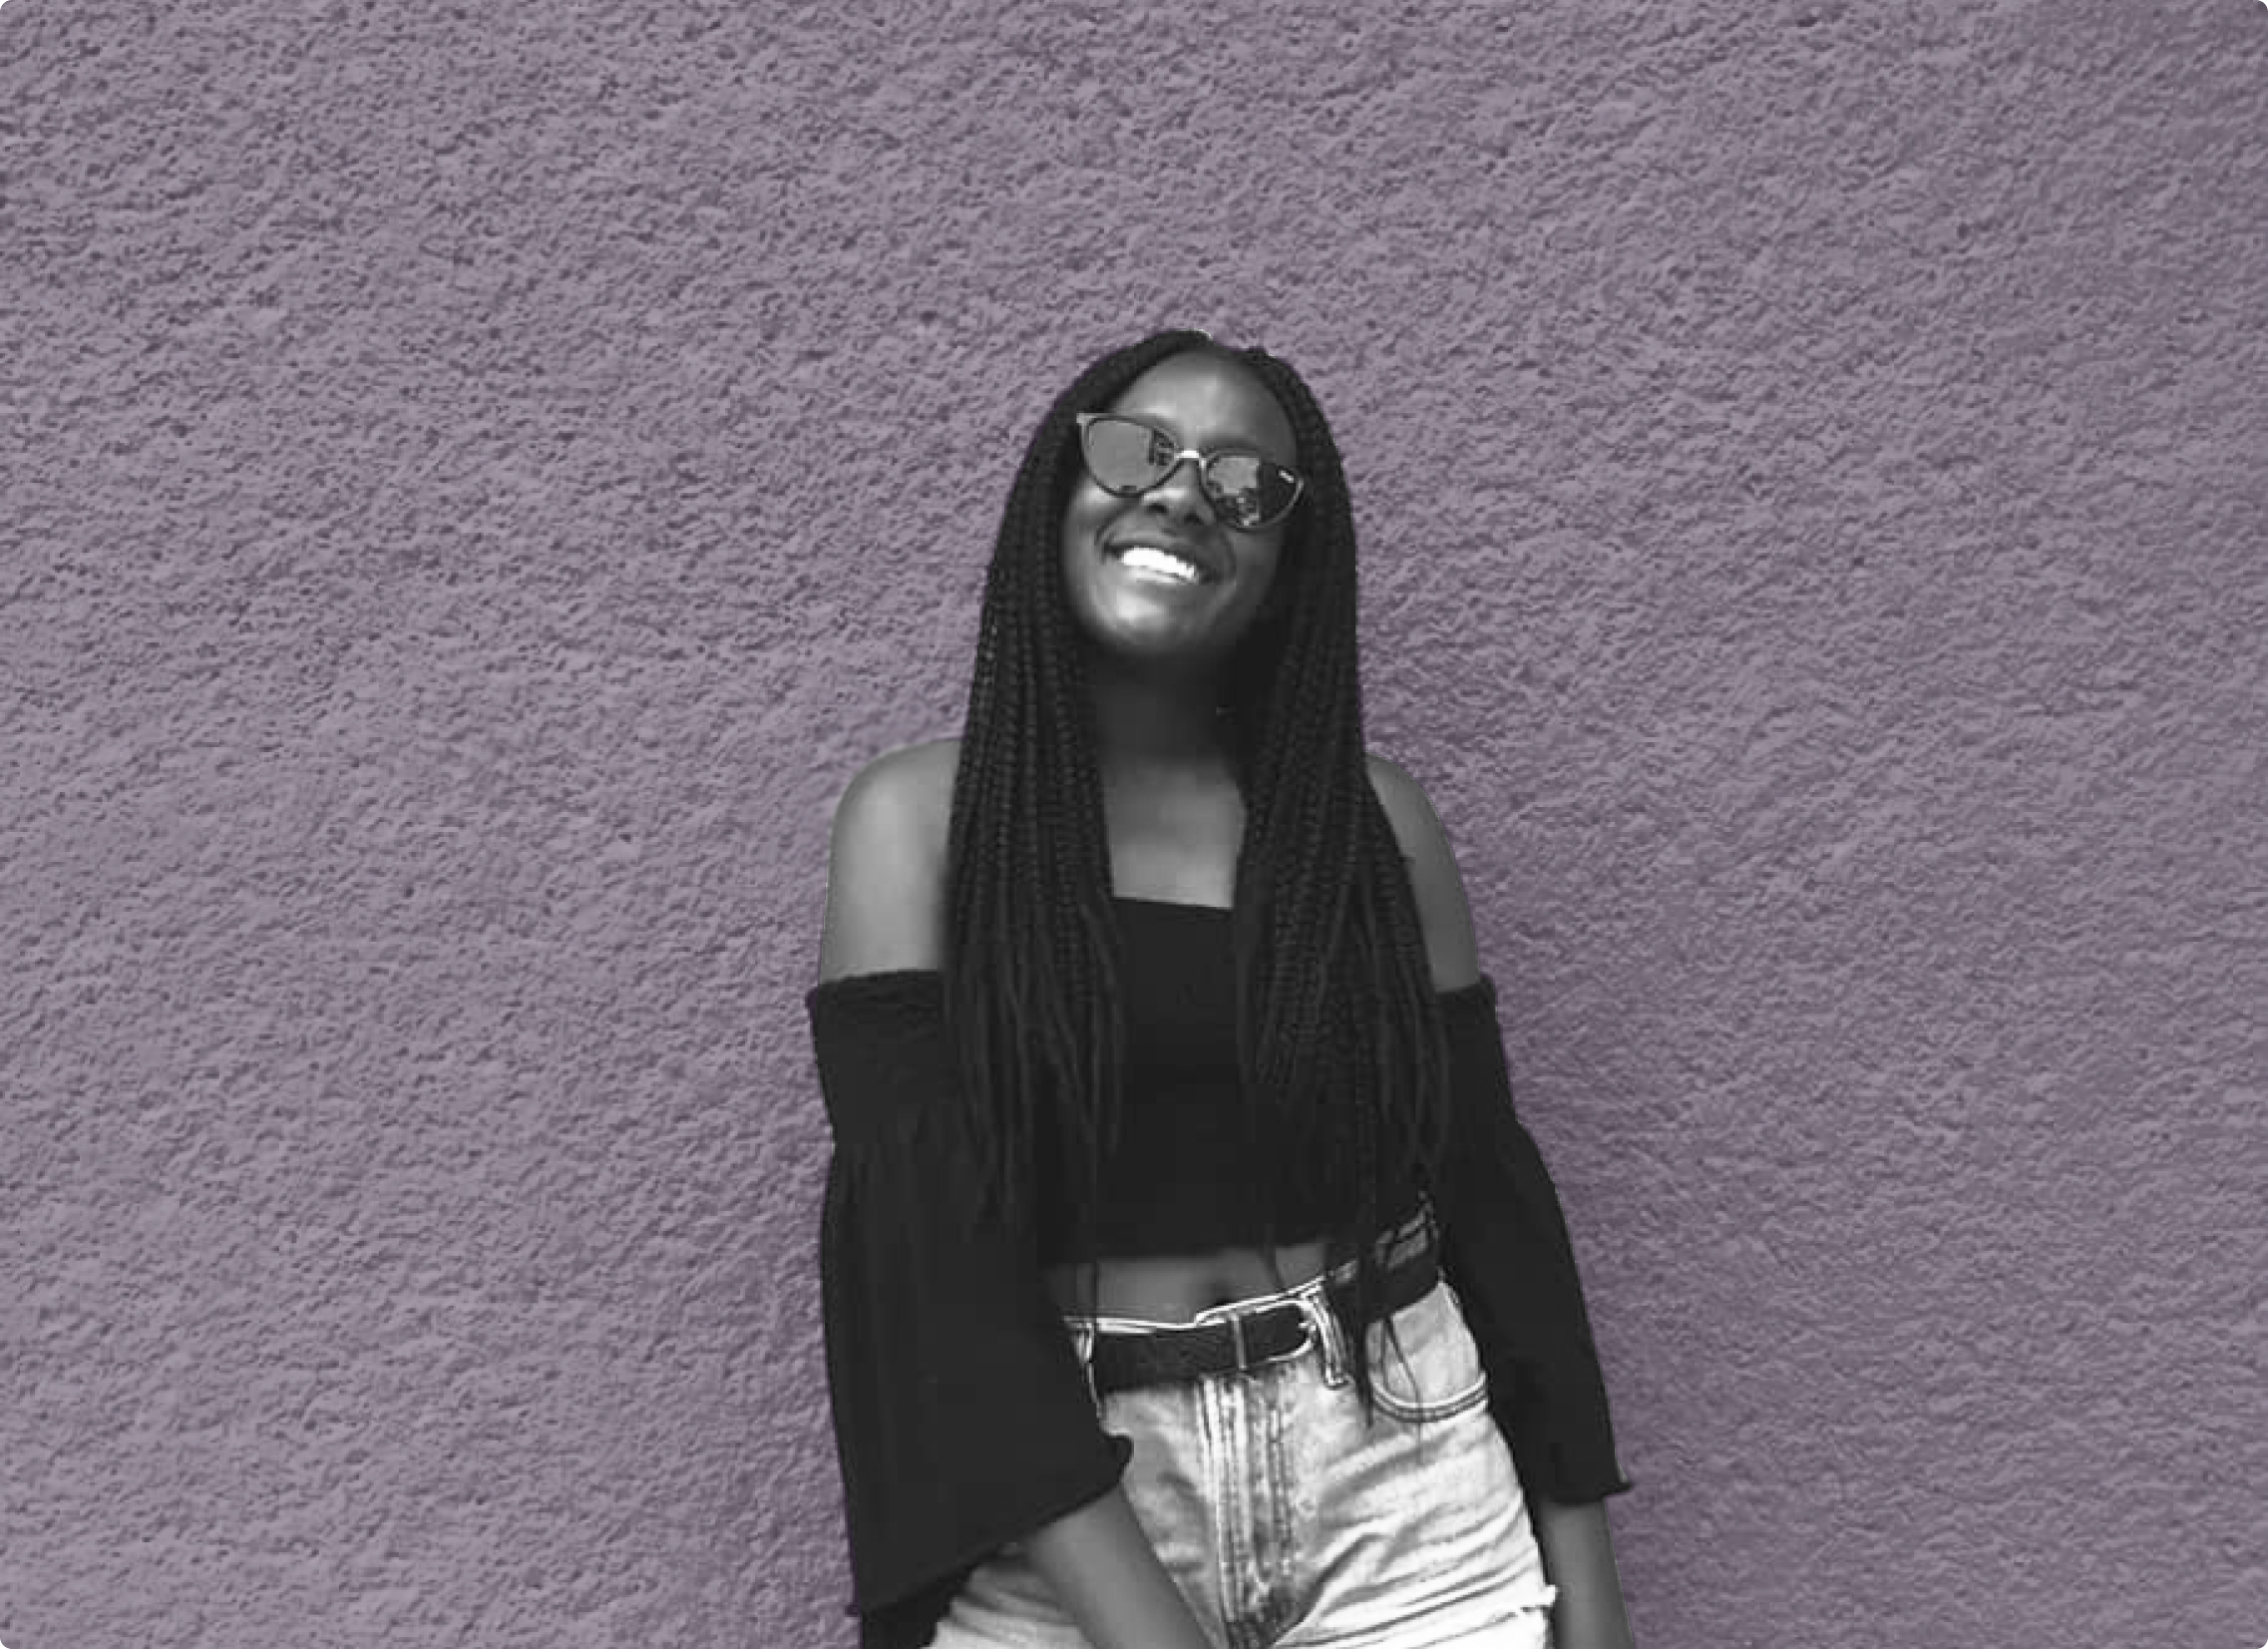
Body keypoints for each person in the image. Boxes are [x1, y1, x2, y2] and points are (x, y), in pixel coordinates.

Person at [806, 329, 1636, 1649]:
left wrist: (1592, 1606)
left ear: (1289, 566)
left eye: (1247, 485)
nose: (1183, 494)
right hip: (1062, 1515)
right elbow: (934, 1279)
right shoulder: (920, 825)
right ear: (1060, 488)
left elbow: (1491, 1209)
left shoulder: (1374, 830)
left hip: (1402, 1478)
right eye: (1135, 451)